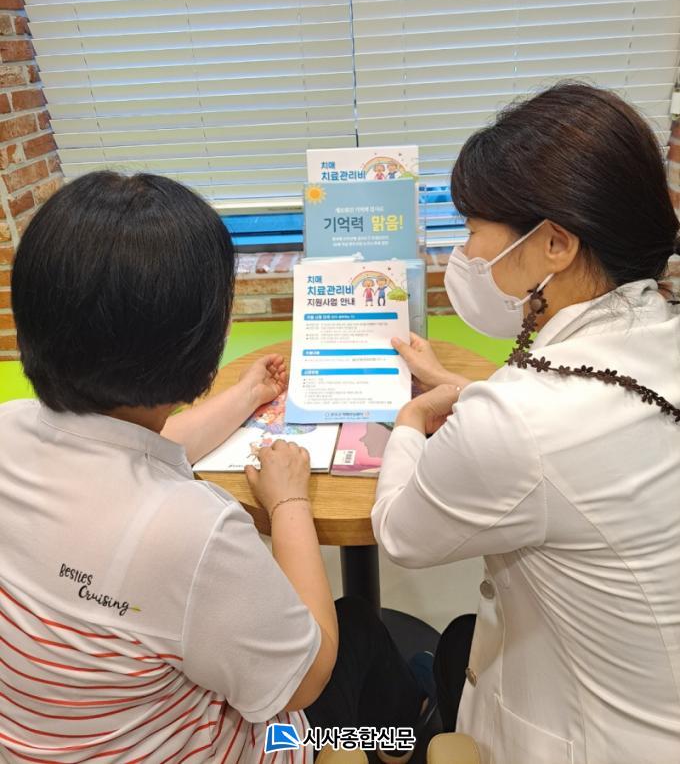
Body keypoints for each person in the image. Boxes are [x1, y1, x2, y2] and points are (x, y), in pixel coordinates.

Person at [1, 172, 427, 763]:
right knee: (354, 629)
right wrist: (289, 503)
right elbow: (305, 682)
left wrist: (246, 395)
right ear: (199, 341)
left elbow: (126, 443)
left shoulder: (10, 425)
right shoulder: (194, 533)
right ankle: (402, 736)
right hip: (239, 744)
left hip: (57, 740)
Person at [372, 83, 680, 764]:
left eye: (472, 231)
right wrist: (472, 393)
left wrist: (410, 421)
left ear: (555, 244)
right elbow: (582, 433)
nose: (464, 254)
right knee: (457, 645)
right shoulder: (657, 331)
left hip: (596, 741)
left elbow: (400, 531)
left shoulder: (520, 419)